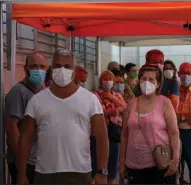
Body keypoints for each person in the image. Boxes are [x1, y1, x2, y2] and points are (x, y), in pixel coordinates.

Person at [16, 49, 109, 184]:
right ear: (52, 68)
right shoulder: (37, 100)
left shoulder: (89, 99)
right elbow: (25, 138)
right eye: (58, 66)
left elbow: (102, 136)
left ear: (74, 70)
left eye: (67, 67)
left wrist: (102, 171)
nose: (62, 70)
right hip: (45, 174)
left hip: (80, 173)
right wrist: (21, 174)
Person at [119, 65, 180, 184]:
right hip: (134, 165)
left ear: (158, 84)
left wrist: (175, 159)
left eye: (151, 79)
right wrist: (122, 162)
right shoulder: (131, 103)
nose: (146, 82)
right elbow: (125, 135)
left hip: (160, 164)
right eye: (143, 79)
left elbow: (174, 133)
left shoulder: (165, 103)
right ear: (139, 81)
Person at [4, 52, 47, 184]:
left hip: (39, 161)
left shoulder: (44, 91)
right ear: (26, 68)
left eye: (42, 66)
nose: (38, 70)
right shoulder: (18, 92)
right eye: (34, 66)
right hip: (26, 162)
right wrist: (22, 163)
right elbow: (12, 129)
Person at [92, 70, 127, 184]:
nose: (108, 82)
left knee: (112, 165)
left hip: (114, 135)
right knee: (98, 164)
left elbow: (126, 109)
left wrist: (112, 99)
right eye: (105, 79)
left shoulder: (117, 95)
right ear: (101, 81)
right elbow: (94, 113)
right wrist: (111, 112)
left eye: (110, 79)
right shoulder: (95, 95)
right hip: (100, 134)